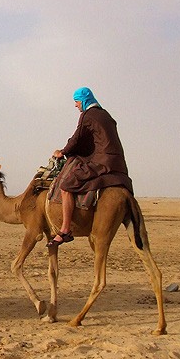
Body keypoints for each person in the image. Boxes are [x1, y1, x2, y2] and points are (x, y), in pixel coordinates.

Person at [47, 86, 133, 248]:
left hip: (102, 162)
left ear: (84, 100)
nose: (76, 105)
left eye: (77, 101)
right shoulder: (105, 115)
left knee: (66, 186)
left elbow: (77, 138)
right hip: (118, 164)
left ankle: (65, 229)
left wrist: (62, 152)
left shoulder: (87, 115)